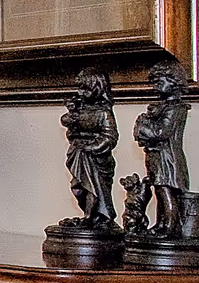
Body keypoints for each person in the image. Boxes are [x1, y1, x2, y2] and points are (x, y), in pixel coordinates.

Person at [132, 61, 190, 236]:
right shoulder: (162, 108)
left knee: (166, 191)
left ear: (173, 81)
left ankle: (170, 226)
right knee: (159, 190)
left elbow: (161, 133)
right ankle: (161, 223)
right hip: (157, 157)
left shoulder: (175, 109)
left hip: (168, 158)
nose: (155, 87)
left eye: (159, 82)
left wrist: (142, 125)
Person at [60, 68, 118, 228]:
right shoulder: (79, 111)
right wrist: (72, 127)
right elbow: (71, 134)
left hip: (95, 159)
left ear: (97, 88)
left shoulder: (103, 113)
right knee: (77, 187)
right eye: (79, 88)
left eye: (85, 88)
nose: (81, 92)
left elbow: (110, 137)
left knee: (93, 188)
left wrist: (93, 147)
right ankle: (88, 215)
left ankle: (90, 217)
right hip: (78, 155)